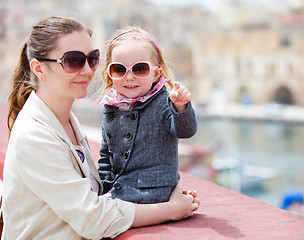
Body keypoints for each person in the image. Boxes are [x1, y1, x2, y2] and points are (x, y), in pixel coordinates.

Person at [3, 16, 199, 240]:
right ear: (39, 68)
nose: (87, 70)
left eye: (92, 59)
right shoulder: (35, 135)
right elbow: (92, 219)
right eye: (73, 61)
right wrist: (172, 209)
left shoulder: (65, 121)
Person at [97, 27, 197, 204]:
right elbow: (106, 155)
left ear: (156, 74)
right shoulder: (111, 107)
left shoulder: (163, 102)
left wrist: (181, 107)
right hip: (119, 193)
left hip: (154, 193)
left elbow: (186, 130)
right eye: (119, 69)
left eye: (140, 69)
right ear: (109, 74)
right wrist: (103, 187)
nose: (129, 77)